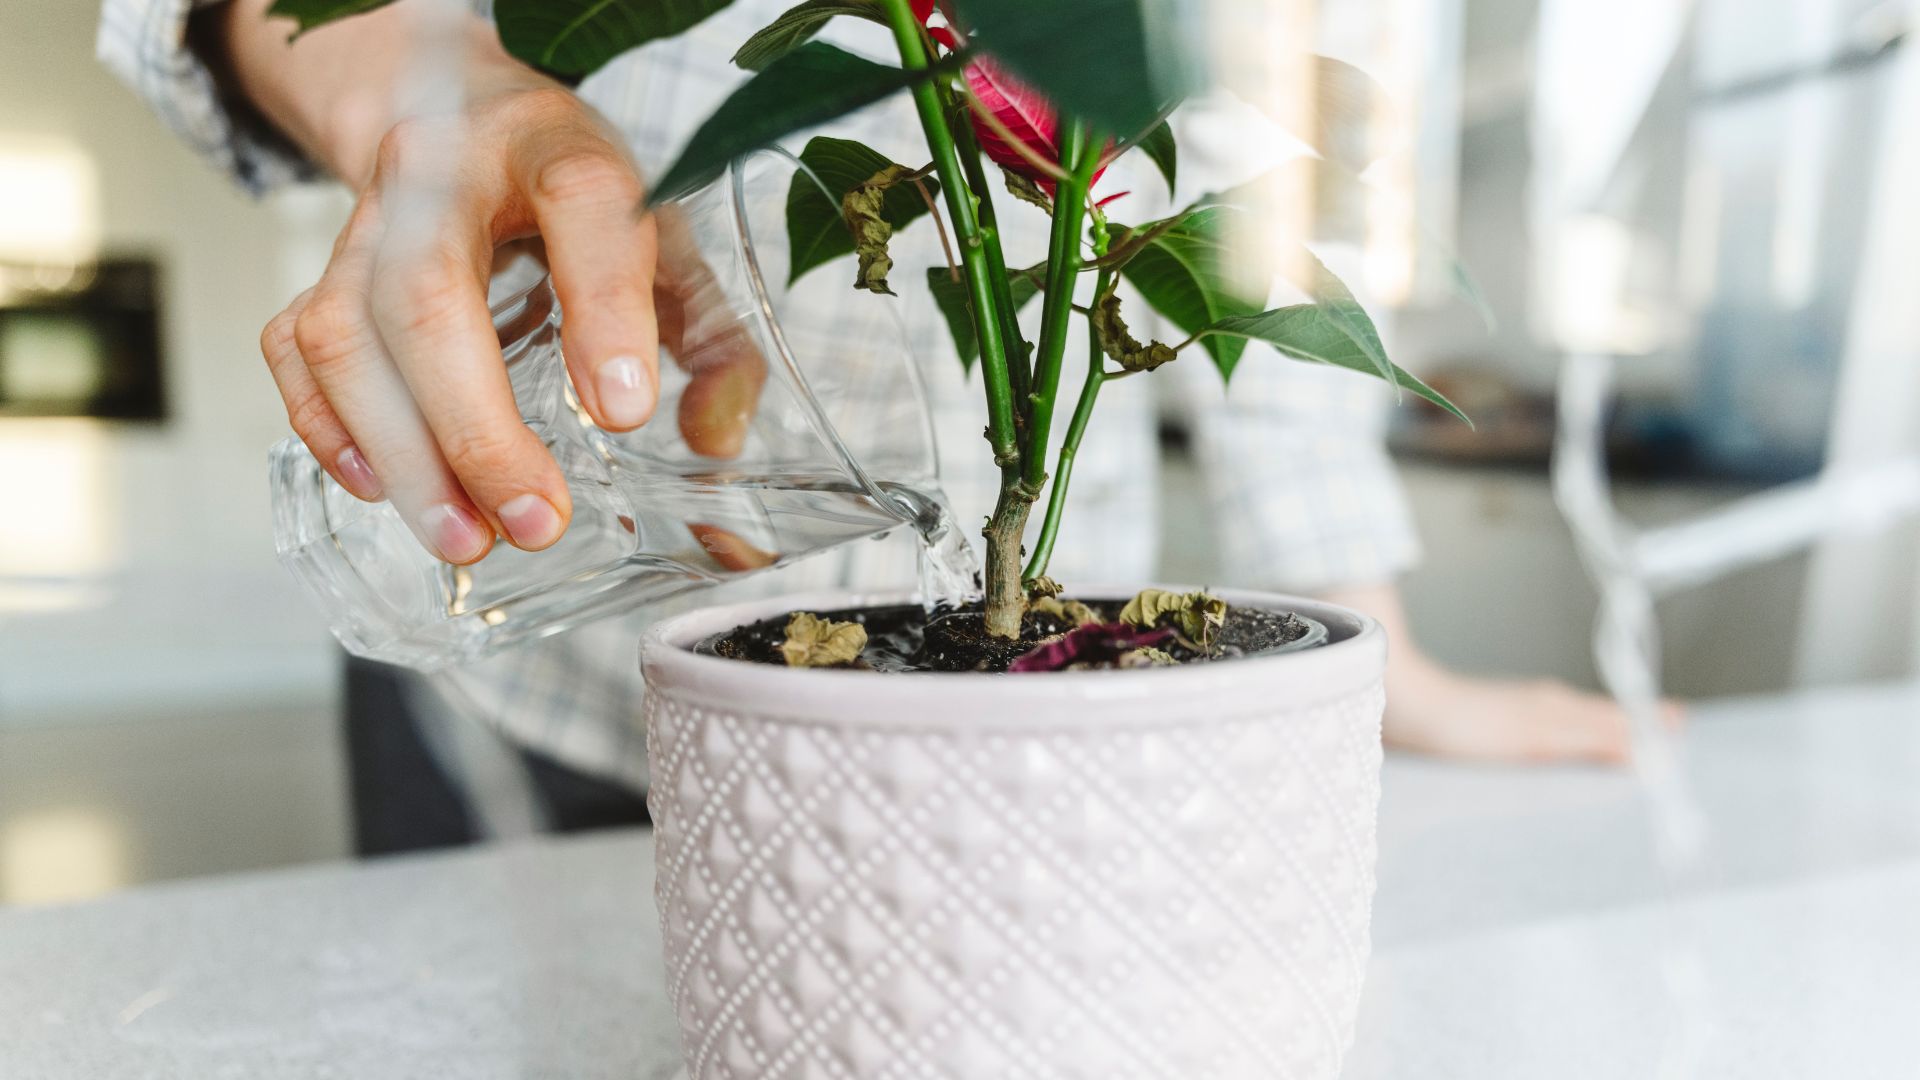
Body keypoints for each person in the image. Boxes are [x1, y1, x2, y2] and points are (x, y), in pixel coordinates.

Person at [101, 0, 1670, 850]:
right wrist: (431, 88)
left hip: (992, 733)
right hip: (540, 648)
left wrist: (1373, 638)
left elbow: (1253, 194)